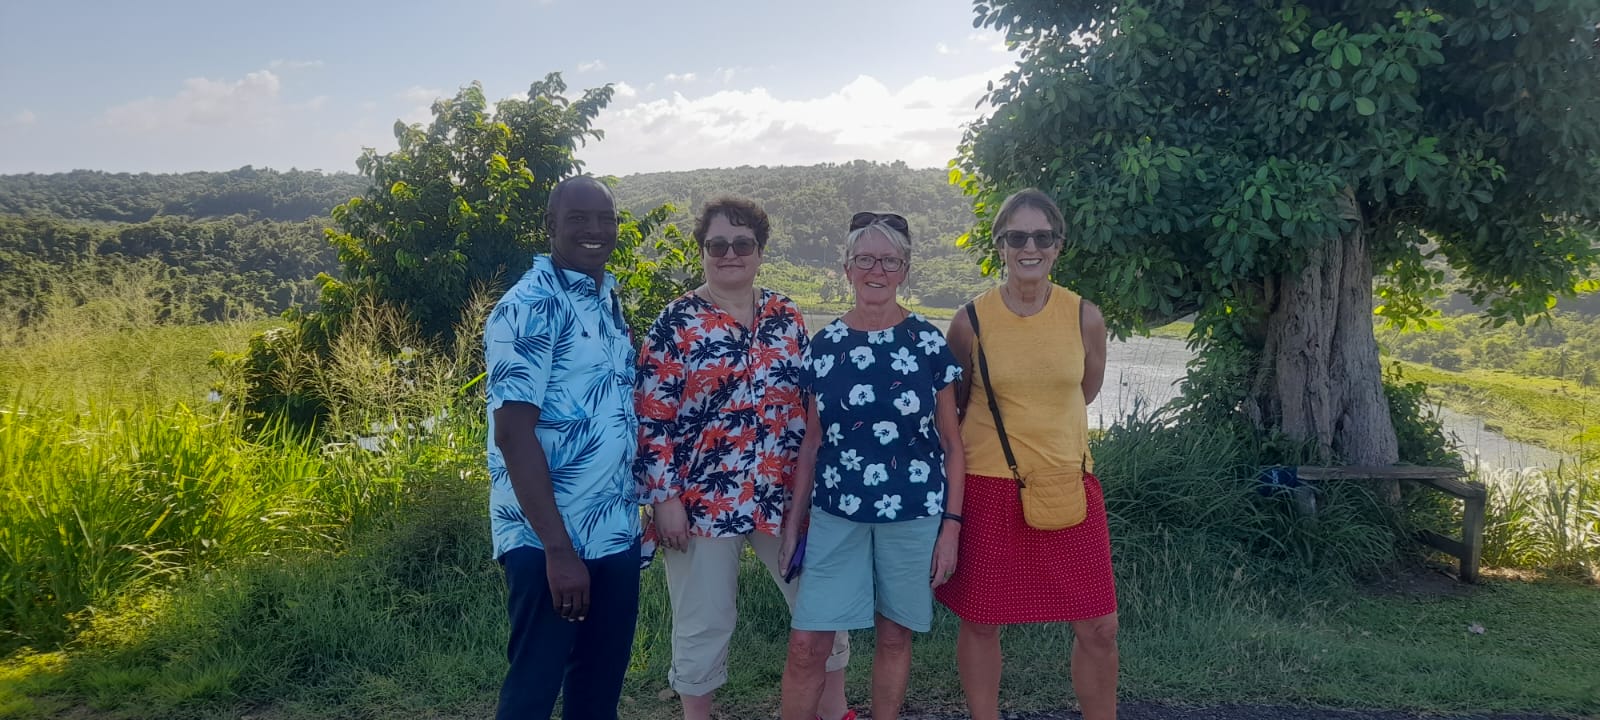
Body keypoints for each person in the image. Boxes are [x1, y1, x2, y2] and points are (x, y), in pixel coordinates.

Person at [635, 196, 853, 720]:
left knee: (821, 601)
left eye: (742, 244)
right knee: (704, 618)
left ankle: (835, 709)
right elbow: (651, 417)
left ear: (759, 250)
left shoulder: (786, 316)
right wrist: (663, 499)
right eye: (717, 245)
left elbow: (808, 410)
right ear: (702, 251)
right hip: (699, 500)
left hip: (783, 495)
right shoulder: (676, 322)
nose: (729, 254)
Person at [933, 188, 1116, 720]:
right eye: (1017, 237)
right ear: (1002, 246)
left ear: (1058, 245)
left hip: (1067, 484)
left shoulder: (1085, 316)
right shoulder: (971, 321)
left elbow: (1084, 390)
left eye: (1041, 237)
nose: (1029, 247)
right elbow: (959, 405)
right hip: (990, 486)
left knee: (1099, 626)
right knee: (982, 620)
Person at [779, 212, 965, 720]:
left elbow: (952, 445)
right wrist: (794, 525)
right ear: (846, 268)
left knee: (894, 635)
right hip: (837, 514)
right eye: (865, 259)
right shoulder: (826, 346)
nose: (876, 270)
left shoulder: (929, 344)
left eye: (889, 260)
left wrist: (951, 527)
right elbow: (812, 444)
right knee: (805, 645)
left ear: (905, 269)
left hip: (914, 513)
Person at [484, 176, 641, 720]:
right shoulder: (528, 307)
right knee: (533, 689)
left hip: (613, 531)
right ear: (550, 227)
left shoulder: (605, 300)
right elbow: (513, 433)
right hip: (548, 540)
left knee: (598, 693)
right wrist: (557, 552)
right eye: (578, 219)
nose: (595, 230)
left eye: (605, 218)